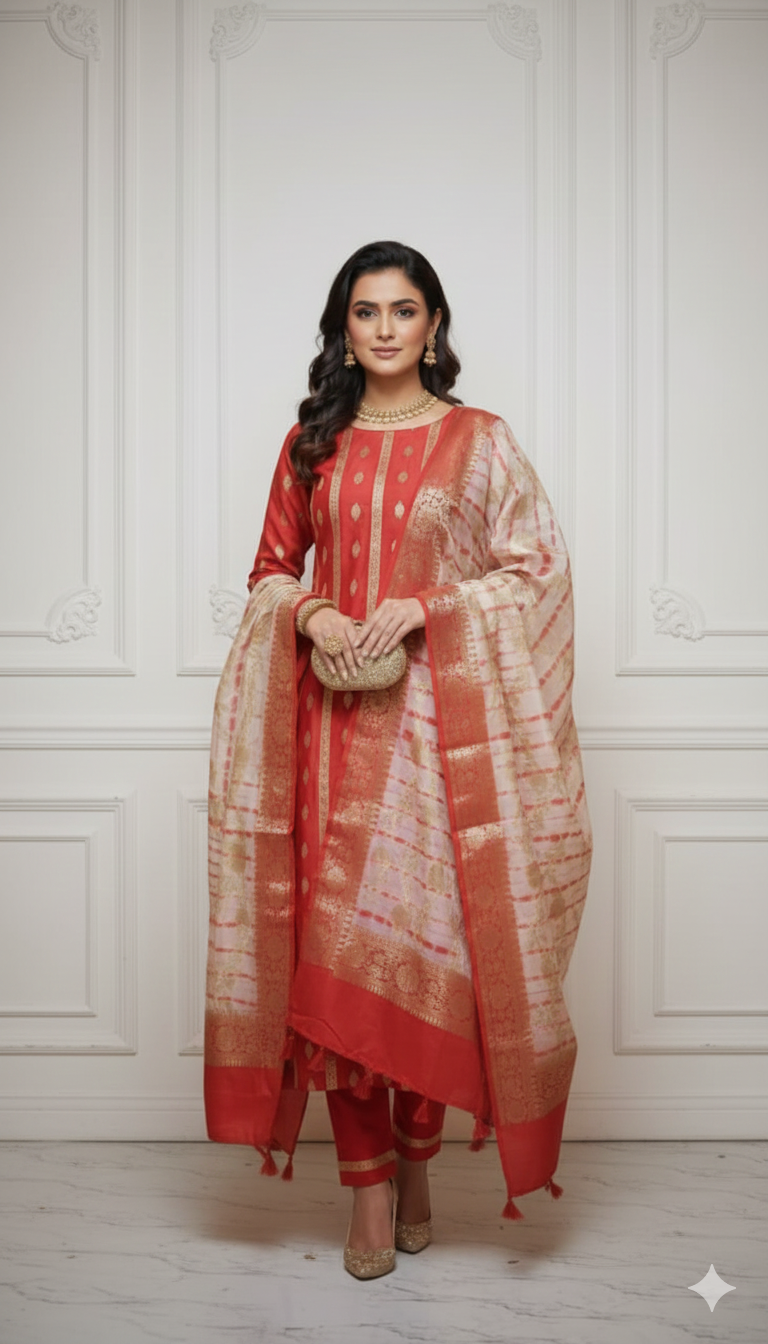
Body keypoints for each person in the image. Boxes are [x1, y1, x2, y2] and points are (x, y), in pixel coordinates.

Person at [205, 240, 592, 1279]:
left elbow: (537, 570)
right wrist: (318, 612)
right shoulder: (310, 443)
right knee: (334, 978)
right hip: (328, 732)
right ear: (343, 327)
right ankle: (369, 1198)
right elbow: (268, 574)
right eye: (364, 311)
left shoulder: (481, 442)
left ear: (434, 324)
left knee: (431, 971)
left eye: (404, 309)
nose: (383, 329)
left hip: (435, 749)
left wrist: (425, 607)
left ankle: (419, 1164)